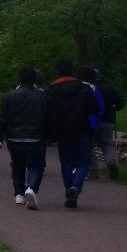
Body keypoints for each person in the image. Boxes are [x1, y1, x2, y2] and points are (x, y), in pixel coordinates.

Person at [46, 60, 101, 208]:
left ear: (58, 72)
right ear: (72, 71)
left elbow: (49, 112)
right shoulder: (84, 88)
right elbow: (94, 109)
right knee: (84, 160)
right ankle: (76, 186)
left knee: (66, 162)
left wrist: (50, 132)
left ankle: (69, 188)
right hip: (82, 129)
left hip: (62, 131)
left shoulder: (52, 89)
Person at [0, 66, 49, 209]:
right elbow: (48, 117)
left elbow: (3, 118)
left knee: (17, 165)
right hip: (36, 137)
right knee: (36, 165)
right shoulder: (42, 96)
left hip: (14, 137)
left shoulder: (9, 95)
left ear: (20, 79)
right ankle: (31, 188)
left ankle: (19, 193)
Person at [92, 68, 126, 181]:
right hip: (108, 121)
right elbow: (121, 103)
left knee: (89, 145)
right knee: (107, 144)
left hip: (93, 121)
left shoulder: (88, 89)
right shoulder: (110, 89)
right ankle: (112, 162)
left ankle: (93, 170)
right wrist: (114, 108)